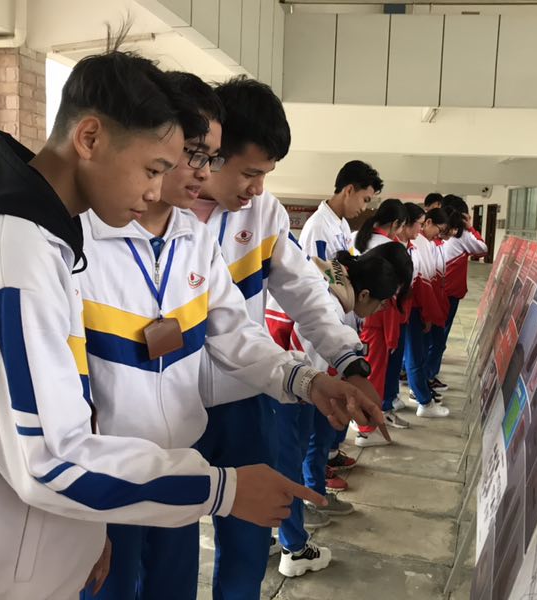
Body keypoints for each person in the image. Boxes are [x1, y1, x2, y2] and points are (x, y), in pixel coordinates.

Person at [0, 47, 331, 600]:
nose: (158, 190)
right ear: (90, 138)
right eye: (154, 168)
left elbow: (58, 420)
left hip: (51, 530)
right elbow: (51, 460)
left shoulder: (40, 243)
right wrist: (223, 490)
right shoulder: (9, 259)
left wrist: (83, 532)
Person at [76, 72, 375, 600]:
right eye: (198, 157)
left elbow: (250, 322)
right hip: (117, 449)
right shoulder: (79, 237)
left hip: (225, 406)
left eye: (208, 158)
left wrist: (329, 369)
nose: (253, 187)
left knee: (230, 540)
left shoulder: (205, 231)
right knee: (116, 571)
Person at [190, 76, 384, 599]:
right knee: (168, 546)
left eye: (265, 175)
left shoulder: (264, 214)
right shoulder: (159, 214)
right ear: (211, 151)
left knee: (248, 538)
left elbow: (304, 292)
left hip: (244, 395)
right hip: (170, 405)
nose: (256, 188)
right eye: (249, 172)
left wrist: (349, 362)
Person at [276, 242, 413, 577]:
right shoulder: (330, 305)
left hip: (282, 384)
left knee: (280, 463)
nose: (380, 310)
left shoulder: (331, 284)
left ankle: (271, 535)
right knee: (287, 467)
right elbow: (310, 366)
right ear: (364, 294)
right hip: (286, 393)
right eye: (380, 303)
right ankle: (294, 549)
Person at [265, 159, 384, 499]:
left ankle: (319, 470)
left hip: (332, 324)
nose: (364, 207)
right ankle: (311, 486)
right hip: (309, 335)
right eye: (364, 199)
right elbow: (315, 286)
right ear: (349, 190)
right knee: (299, 432)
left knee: (313, 427)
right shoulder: (318, 227)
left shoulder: (341, 226)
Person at [352, 198, 410, 446]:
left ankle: (362, 422)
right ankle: (366, 428)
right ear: (396, 223)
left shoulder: (357, 237)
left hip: (362, 310)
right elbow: (392, 293)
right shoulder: (390, 248)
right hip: (376, 315)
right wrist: (392, 332)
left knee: (363, 370)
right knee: (373, 373)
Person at [425, 195, 487, 391]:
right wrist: (470, 227)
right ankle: (427, 377)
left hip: (432, 290)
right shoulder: (462, 236)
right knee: (438, 338)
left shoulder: (432, 234)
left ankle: (416, 373)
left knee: (427, 335)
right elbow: (482, 249)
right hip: (448, 293)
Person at [404, 208, 460, 418]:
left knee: (414, 353)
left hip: (416, 307)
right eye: (439, 229)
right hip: (413, 308)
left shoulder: (422, 243)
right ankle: (422, 400)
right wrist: (428, 314)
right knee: (415, 355)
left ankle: (406, 397)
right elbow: (422, 283)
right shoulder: (416, 243)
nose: (440, 234)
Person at [382, 202, 426, 426]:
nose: (421, 229)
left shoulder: (412, 248)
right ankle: (383, 407)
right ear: (405, 224)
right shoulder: (389, 248)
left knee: (395, 360)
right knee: (387, 362)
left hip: (402, 313)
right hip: (389, 314)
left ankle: (389, 400)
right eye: (419, 224)